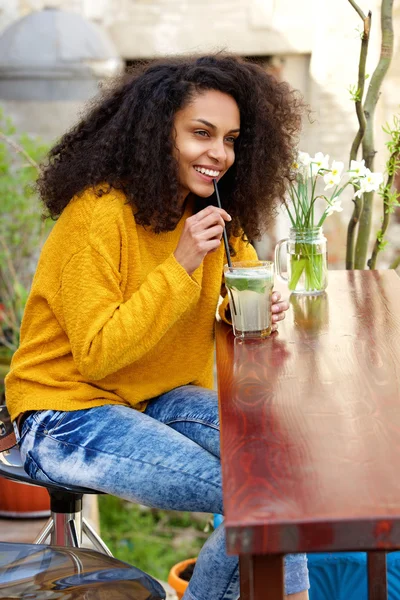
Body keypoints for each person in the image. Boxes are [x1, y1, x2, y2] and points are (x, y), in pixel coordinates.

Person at [6, 53, 309, 600]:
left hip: (154, 396)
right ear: (154, 132)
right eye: (201, 133)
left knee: (280, 470)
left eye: (232, 139)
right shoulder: (98, 214)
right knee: (253, 498)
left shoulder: (211, 207)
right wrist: (182, 262)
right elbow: (99, 353)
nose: (219, 153)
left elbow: (232, 288)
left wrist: (251, 303)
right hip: (66, 411)